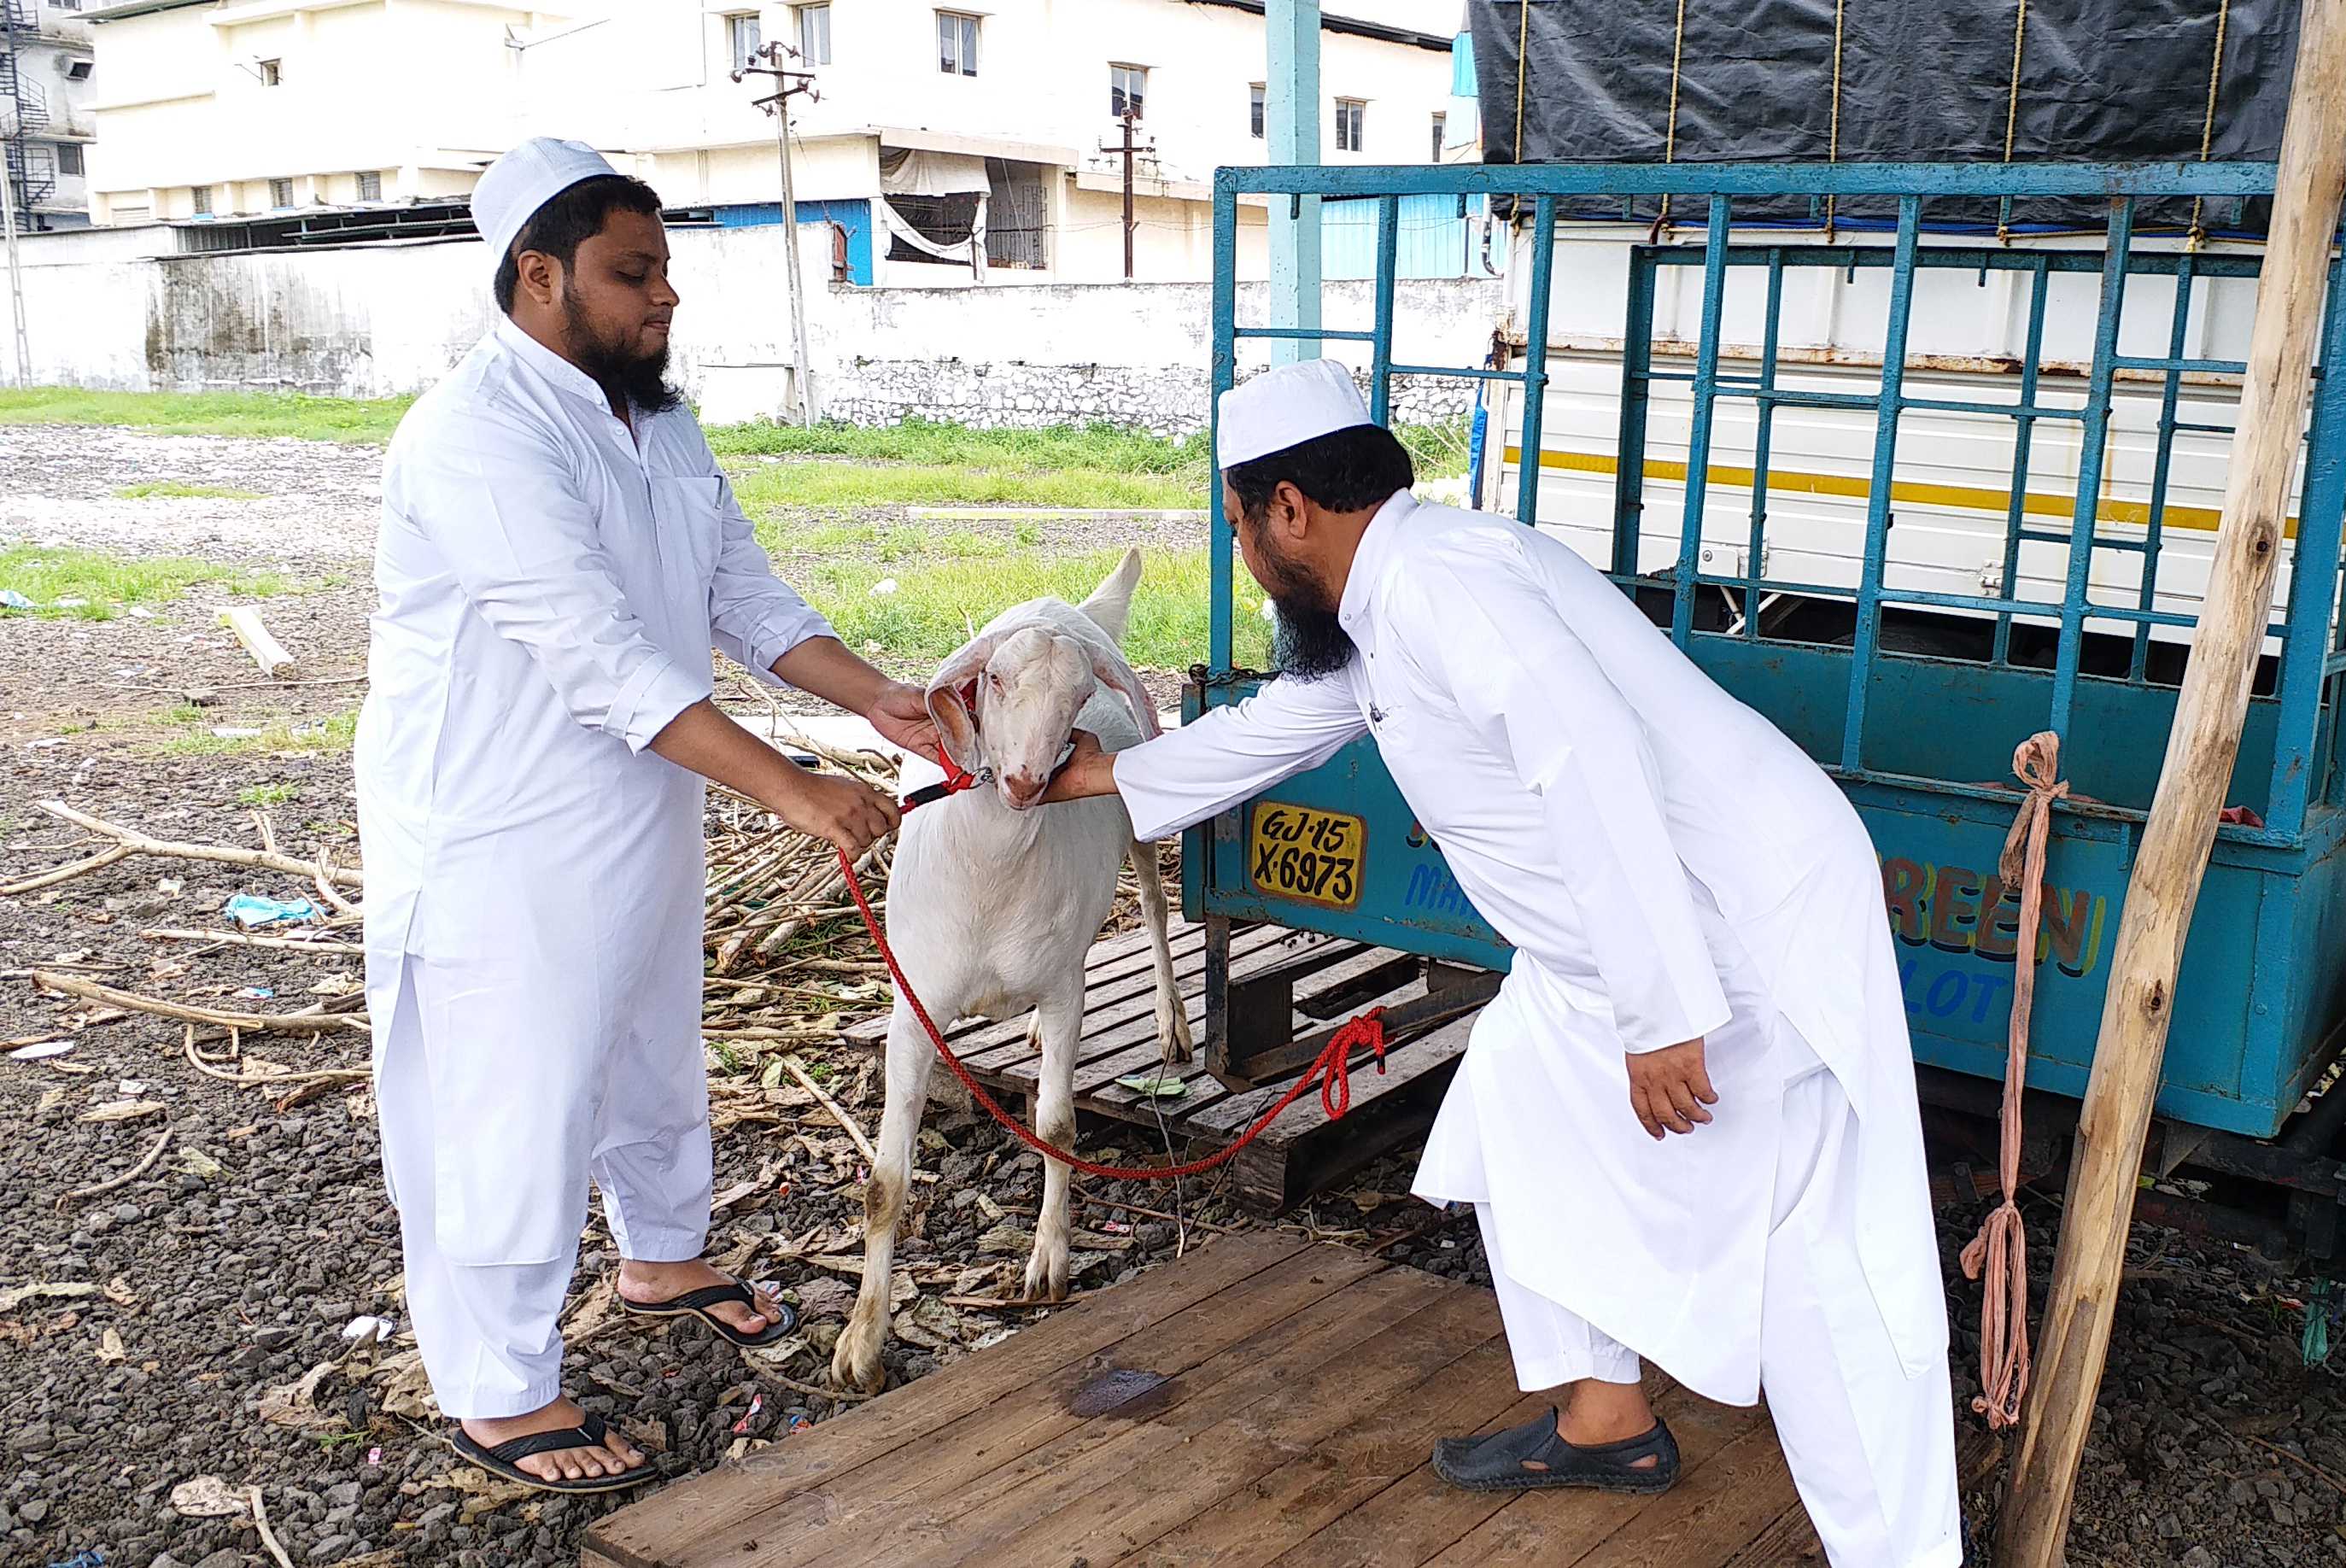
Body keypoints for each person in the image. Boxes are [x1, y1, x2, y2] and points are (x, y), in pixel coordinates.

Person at [1042, 358, 1961, 1565]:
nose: (1245, 556)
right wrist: (1100, 777)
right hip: (1612, 959)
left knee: (1817, 1254)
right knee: (1522, 1092)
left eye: (1238, 526)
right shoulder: (1389, 600)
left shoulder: (1440, 588)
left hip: (1739, 938)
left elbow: (1587, 762)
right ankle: (1605, 1417)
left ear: (1288, 510)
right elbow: (1290, 723)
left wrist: (1661, 1011)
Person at [357, 137, 934, 1493]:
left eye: (667, 269)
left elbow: (746, 593)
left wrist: (886, 703)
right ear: (536, 275)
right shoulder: (473, 434)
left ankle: (663, 1257)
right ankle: (499, 1390)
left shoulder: (655, 415)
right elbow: (599, 654)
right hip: (501, 829)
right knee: (516, 1093)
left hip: (646, 794)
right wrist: (795, 791)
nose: (662, 297)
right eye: (633, 274)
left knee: (651, 1040)